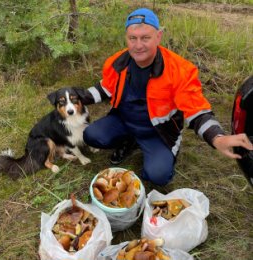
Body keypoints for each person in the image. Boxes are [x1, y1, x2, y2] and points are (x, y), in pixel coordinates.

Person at [77, 8, 253, 186]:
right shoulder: (118, 62)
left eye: (145, 38)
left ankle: (160, 150)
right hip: (124, 120)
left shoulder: (180, 70)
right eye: (133, 38)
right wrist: (75, 97)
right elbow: (103, 89)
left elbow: (197, 111)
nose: (138, 45)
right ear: (126, 37)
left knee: (157, 176)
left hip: (158, 132)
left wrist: (217, 138)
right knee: (91, 135)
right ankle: (129, 141)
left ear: (159, 36)